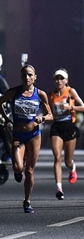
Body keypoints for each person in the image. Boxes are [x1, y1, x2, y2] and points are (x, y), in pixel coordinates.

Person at [0, 64, 52, 213]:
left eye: (29, 75)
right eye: (24, 75)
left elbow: (50, 114)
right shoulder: (14, 92)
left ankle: (27, 201)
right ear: (21, 77)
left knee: (29, 171)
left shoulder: (40, 94)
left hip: (33, 135)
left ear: (35, 77)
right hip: (18, 135)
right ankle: (17, 171)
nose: (27, 78)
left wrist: (42, 118)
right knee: (18, 167)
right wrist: (6, 120)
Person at [47, 69, 84, 200]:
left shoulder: (71, 92)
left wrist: (71, 108)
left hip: (69, 125)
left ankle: (72, 167)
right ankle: (59, 188)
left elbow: (83, 107)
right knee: (57, 157)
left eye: (61, 78)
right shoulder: (50, 95)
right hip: (57, 126)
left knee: (67, 160)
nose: (59, 81)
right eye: (56, 79)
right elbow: (49, 113)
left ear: (66, 81)